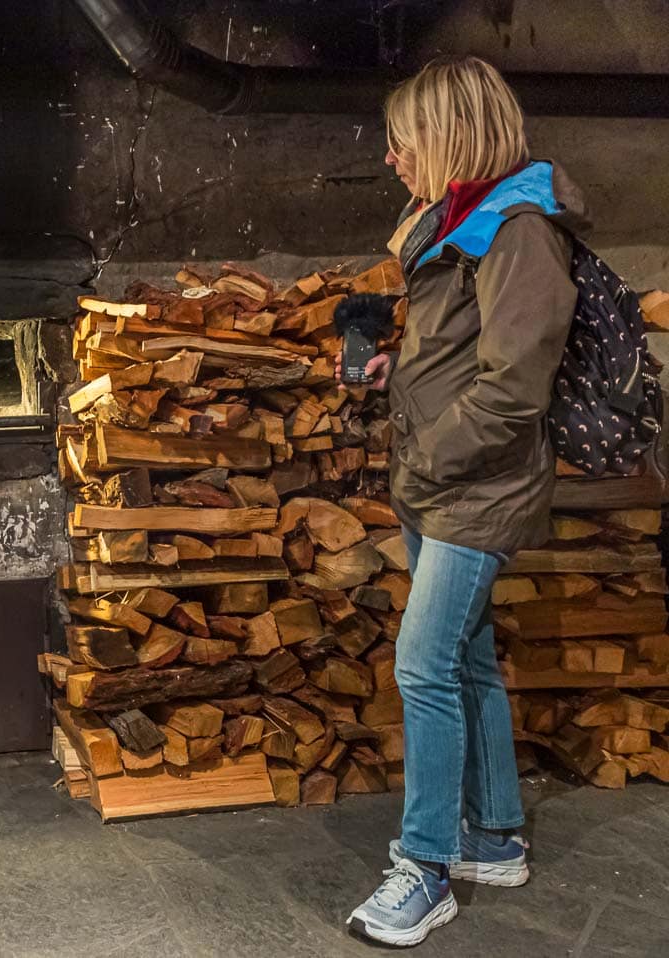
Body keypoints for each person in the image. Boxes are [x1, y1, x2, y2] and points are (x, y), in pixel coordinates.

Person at [338, 57, 589, 946]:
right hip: (439, 478)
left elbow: (515, 390)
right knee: (469, 657)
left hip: (473, 487)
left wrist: (431, 458)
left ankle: (427, 869)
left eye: (405, 141)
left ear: (450, 135)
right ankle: (495, 835)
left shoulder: (519, 229)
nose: (393, 160)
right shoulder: (456, 222)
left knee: (423, 664)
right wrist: (393, 366)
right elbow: (458, 350)